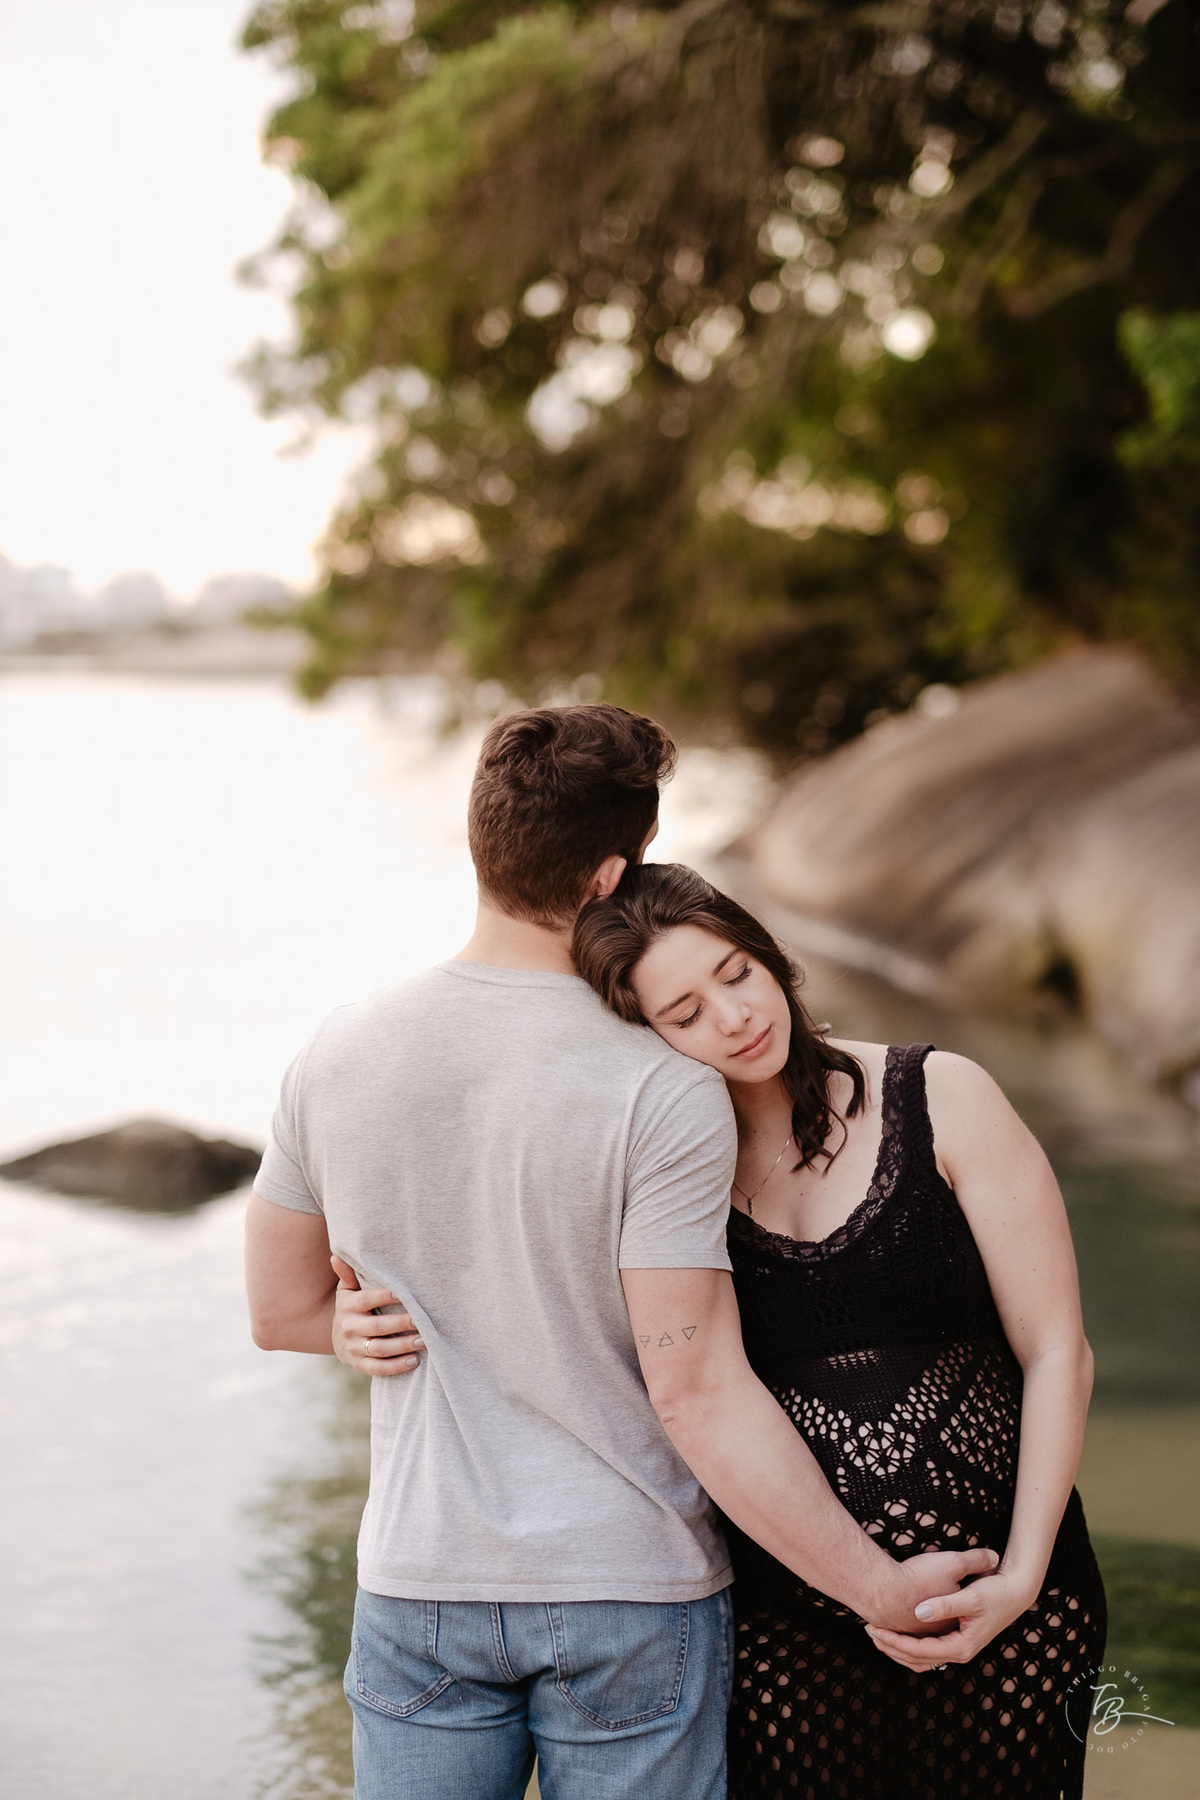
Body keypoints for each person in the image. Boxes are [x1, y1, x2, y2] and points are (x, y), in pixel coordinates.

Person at [245, 704, 996, 1800]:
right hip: (629, 1588)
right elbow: (693, 1389)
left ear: (482, 843)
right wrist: (879, 1589)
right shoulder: (663, 1083)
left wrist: (347, 1327)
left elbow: (278, 1313)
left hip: (419, 1581)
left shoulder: (339, 1048)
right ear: (611, 875)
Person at [570, 860, 1107, 1800]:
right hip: (788, 1617)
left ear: (768, 953)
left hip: (1012, 1588)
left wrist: (1023, 1575)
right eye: (686, 1014)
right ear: (646, 1040)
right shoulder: (664, 1184)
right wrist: (354, 1318)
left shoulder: (945, 1093)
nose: (734, 1018)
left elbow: (1057, 1349)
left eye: (736, 973)